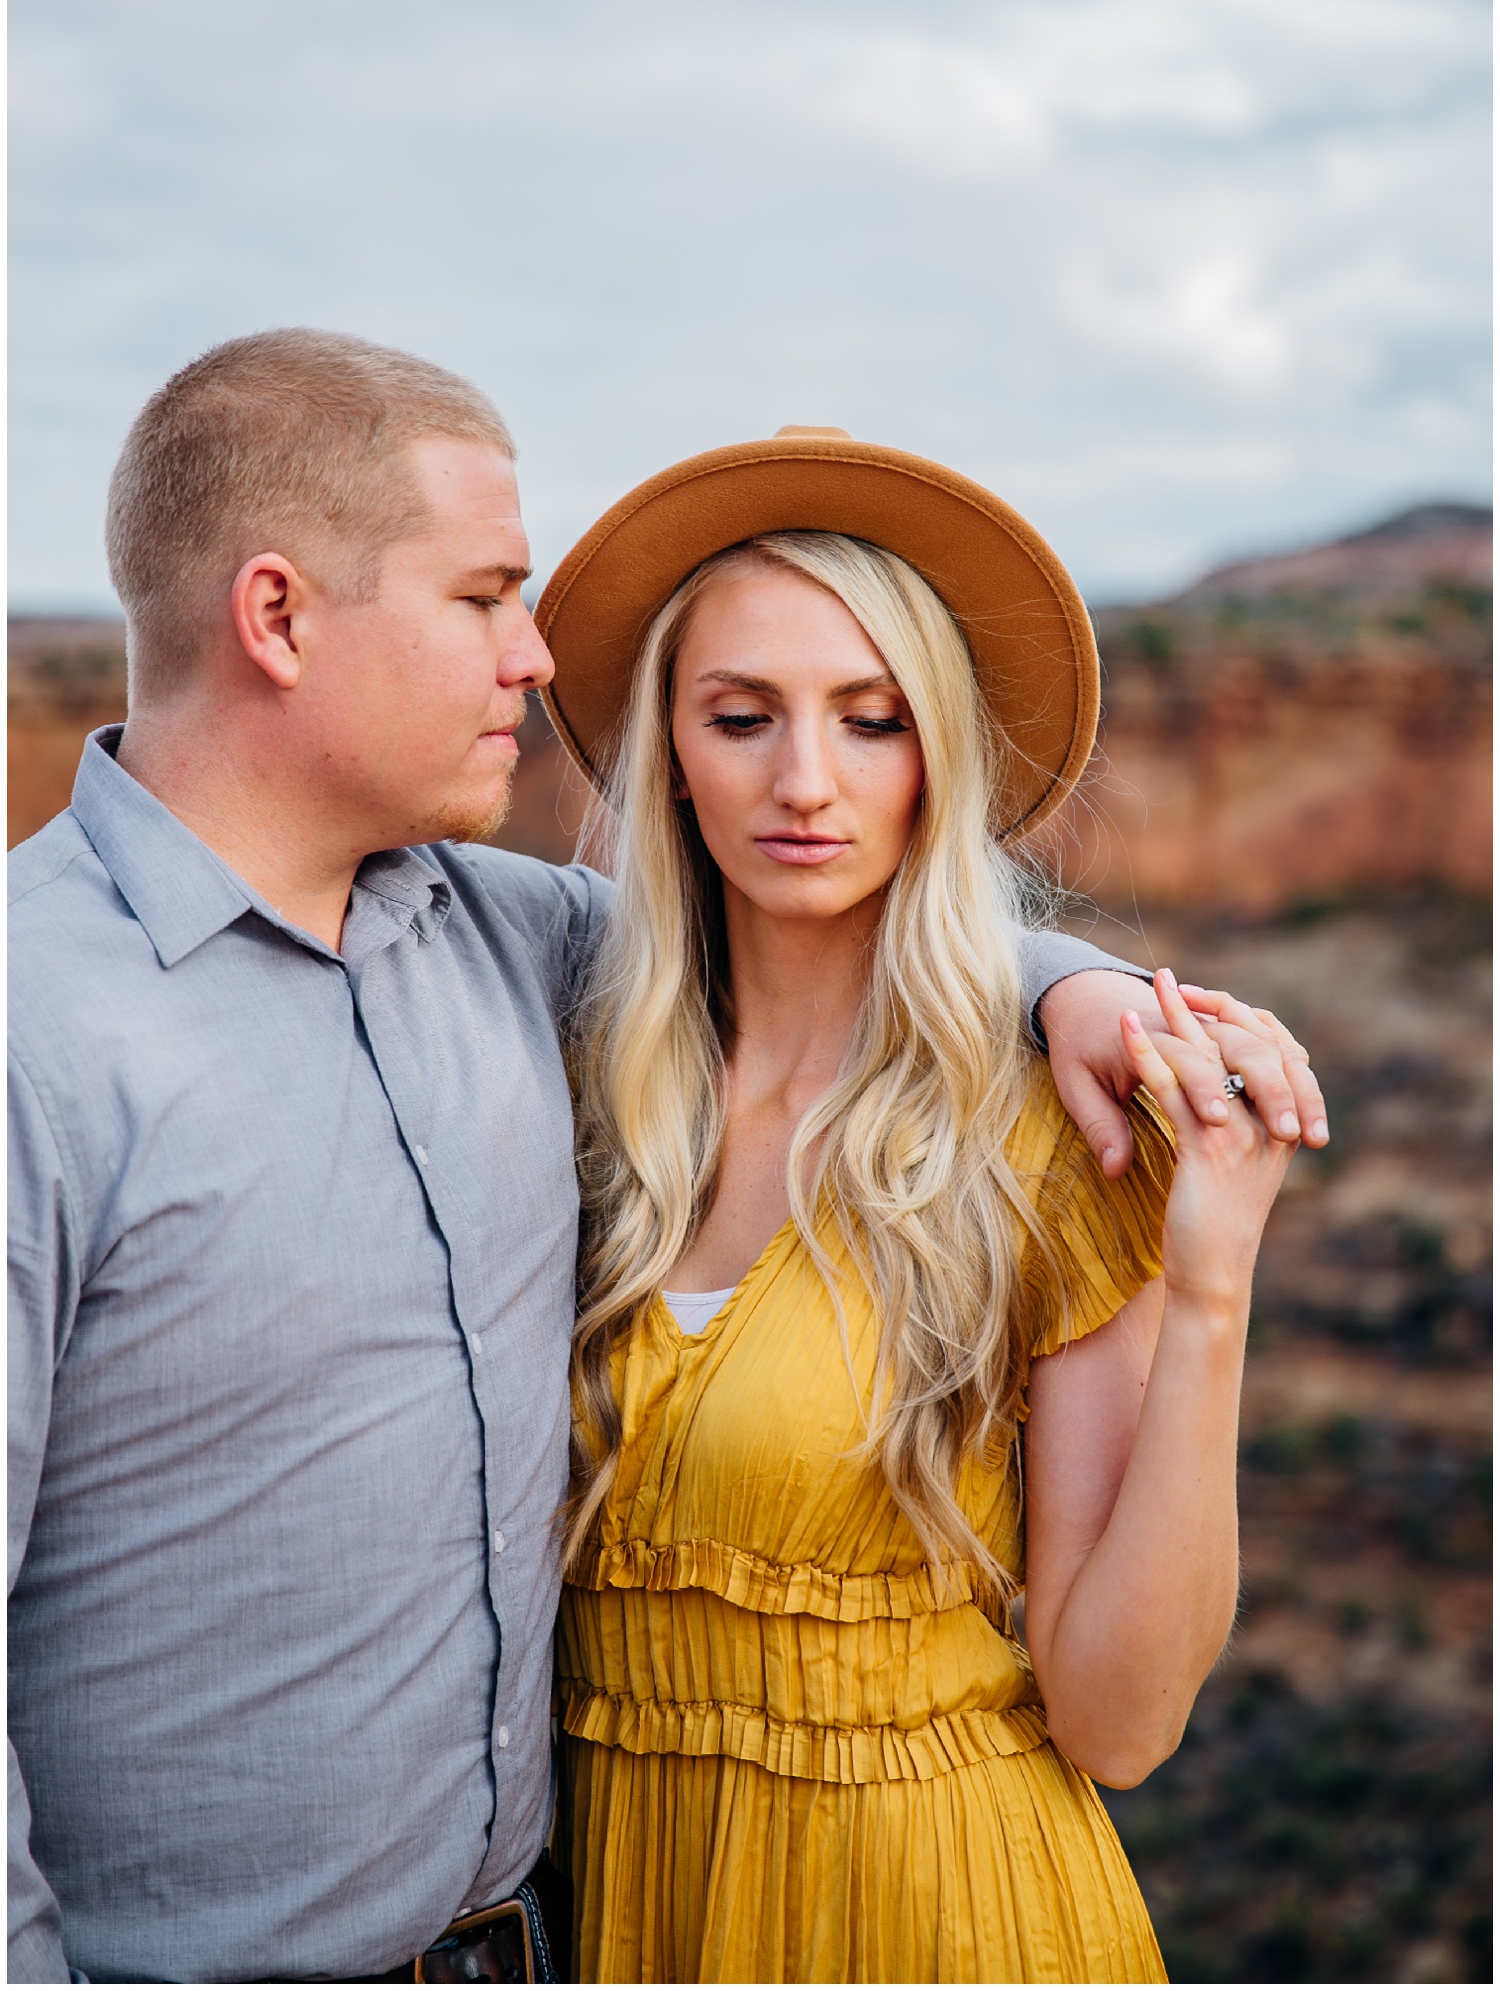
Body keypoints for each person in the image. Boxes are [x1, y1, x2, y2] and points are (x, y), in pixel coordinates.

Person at [6, 341, 1324, 1987]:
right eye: (486, 597)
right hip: (569, 1923)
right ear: (276, 618)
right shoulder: (96, 1024)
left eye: (876, 720)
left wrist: (1097, 1013)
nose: (534, 653)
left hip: (828, 1917)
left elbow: (844, 927)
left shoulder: (509, 949)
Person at [540, 430, 1317, 1983]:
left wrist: (1212, 1291)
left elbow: (1120, 1720)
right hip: (630, 1910)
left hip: (934, 1907)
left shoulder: (1042, 1137)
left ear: (938, 758)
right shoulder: (576, 1101)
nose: (805, 782)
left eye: (872, 721)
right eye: (742, 716)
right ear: (672, 757)